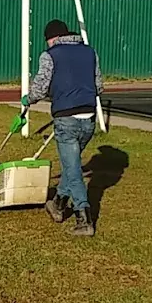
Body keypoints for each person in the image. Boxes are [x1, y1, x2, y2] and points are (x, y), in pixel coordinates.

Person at [22, 19, 103, 236]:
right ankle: (57, 204)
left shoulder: (50, 55)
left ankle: (84, 218)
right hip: (89, 118)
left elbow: (40, 87)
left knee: (73, 170)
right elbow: (99, 86)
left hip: (66, 118)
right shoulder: (90, 52)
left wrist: (28, 100)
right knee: (72, 165)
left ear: (53, 38)